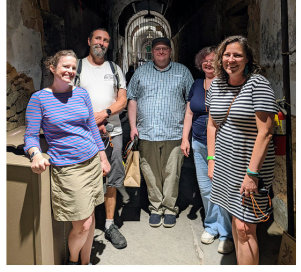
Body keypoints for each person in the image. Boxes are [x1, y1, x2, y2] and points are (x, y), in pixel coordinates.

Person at [23, 50, 111, 265]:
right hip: (68, 168)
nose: (70, 71)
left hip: (91, 162)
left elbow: (92, 128)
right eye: (65, 67)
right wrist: (35, 155)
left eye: (73, 68)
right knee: (82, 225)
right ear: (52, 68)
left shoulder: (81, 94)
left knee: (90, 218)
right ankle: (72, 262)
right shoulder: (39, 99)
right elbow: (31, 136)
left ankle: (85, 262)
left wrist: (103, 157)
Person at [206, 35, 278, 265]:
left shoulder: (258, 84)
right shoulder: (216, 84)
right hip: (226, 166)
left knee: (245, 228)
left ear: (247, 58)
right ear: (221, 58)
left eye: (237, 55)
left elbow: (265, 132)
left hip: (250, 169)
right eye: (227, 54)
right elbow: (211, 124)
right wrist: (211, 159)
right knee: (237, 225)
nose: (231, 59)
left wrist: (252, 174)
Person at [127, 37, 194, 228]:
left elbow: (190, 101)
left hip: (174, 133)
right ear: (152, 52)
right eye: (158, 49)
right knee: (150, 173)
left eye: (165, 49)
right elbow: (132, 99)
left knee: (172, 173)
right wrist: (133, 127)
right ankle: (156, 207)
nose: (161, 52)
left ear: (170, 51)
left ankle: (170, 208)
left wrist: (185, 136)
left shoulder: (182, 72)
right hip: (147, 133)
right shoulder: (141, 72)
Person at [76, 28, 128, 249]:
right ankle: (85, 226)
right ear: (89, 41)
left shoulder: (114, 69)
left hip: (113, 133)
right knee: (86, 178)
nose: (102, 43)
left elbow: (122, 100)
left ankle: (109, 224)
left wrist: (104, 114)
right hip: (83, 135)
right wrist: (92, 122)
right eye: (98, 38)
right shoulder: (76, 67)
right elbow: (67, 100)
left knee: (112, 180)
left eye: (106, 40)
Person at [181, 46, 234, 254]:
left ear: (220, 61)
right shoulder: (196, 84)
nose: (208, 63)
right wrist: (185, 138)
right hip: (198, 142)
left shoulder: (227, 83)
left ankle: (227, 233)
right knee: (205, 187)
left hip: (222, 144)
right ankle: (211, 226)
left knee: (223, 186)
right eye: (204, 60)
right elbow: (188, 113)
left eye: (212, 59)